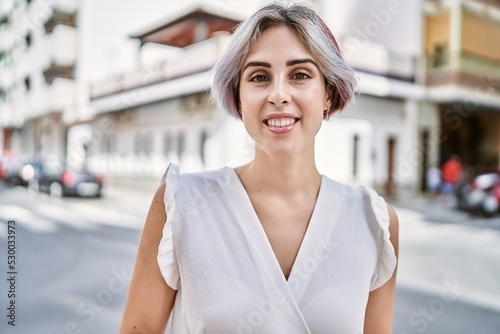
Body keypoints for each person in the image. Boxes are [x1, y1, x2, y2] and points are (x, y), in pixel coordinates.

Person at [120, 3, 399, 334]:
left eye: (300, 75)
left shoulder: (375, 223)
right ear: (238, 98)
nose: (278, 94)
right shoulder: (180, 204)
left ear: (328, 93)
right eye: (259, 77)